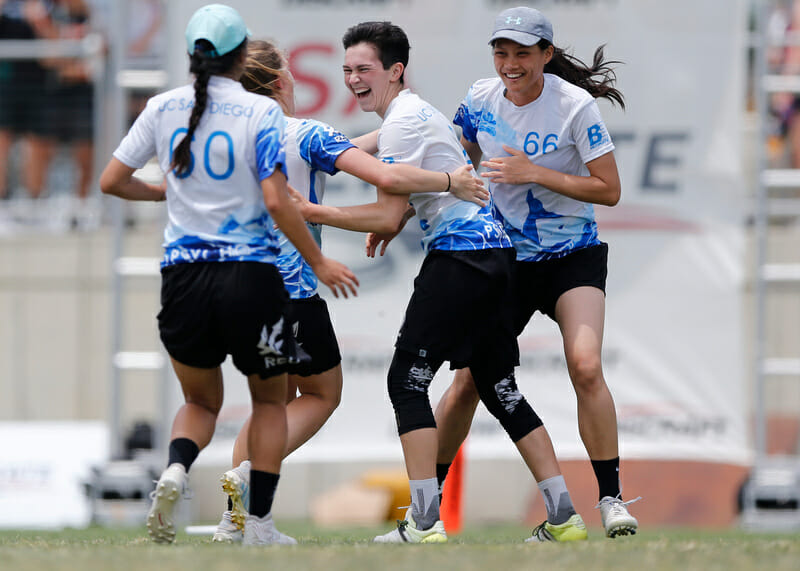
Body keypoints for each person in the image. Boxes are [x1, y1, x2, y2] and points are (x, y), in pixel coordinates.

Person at [291, 20, 588, 544]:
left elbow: (385, 213)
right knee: (499, 388)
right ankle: (564, 515)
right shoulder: (410, 113)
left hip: (461, 259)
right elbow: (360, 161)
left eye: (364, 69)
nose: (353, 80)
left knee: (405, 381)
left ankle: (423, 521)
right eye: (346, 71)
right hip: (494, 257)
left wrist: (311, 210)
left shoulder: (405, 120)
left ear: (396, 70)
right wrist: (309, 156)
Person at [99, 3, 358, 546]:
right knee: (269, 403)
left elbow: (112, 180)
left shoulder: (162, 106)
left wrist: (161, 190)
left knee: (198, 404)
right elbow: (276, 200)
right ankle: (255, 522)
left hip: (182, 277)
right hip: (249, 275)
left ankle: (175, 468)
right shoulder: (261, 114)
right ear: (240, 56)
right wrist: (318, 260)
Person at [210, 38, 488, 544]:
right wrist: (451, 179)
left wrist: (405, 130)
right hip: (289, 290)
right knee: (322, 393)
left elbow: (360, 148)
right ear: (278, 83)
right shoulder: (306, 133)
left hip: (232, 287)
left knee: (272, 403)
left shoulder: (228, 138)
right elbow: (383, 179)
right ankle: (251, 477)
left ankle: (241, 523)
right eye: (293, 75)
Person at [434, 6, 639, 538]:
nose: (510, 63)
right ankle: (422, 507)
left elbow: (609, 190)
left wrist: (533, 173)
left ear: (546, 55)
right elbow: (456, 158)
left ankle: (612, 499)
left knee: (586, 366)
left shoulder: (576, 106)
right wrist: (401, 213)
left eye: (522, 53)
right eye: (501, 52)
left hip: (572, 256)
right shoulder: (480, 97)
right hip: (504, 259)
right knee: (464, 387)